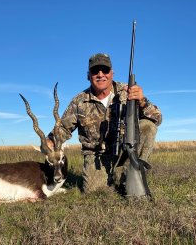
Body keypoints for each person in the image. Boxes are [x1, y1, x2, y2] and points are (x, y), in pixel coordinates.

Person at [47, 53, 162, 192]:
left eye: (105, 70)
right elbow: (63, 129)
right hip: (97, 156)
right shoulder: (79, 101)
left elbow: (157, 118)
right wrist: (50, 141)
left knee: (148, 126)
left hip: (125, 151)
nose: (100, 74)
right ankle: (116, 177)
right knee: (94, 191)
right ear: (88, 75)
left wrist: (142, 101)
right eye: (95, 71)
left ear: (112, 73)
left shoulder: (128, 91)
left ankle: (133, 175)